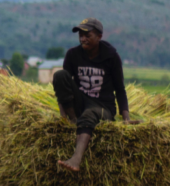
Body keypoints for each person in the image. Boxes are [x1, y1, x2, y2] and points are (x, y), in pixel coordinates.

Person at [52, 18, 135, 172]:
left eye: (87, 35)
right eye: (80, 35)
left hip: (103, 107)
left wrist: (126, 118)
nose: (83, 39)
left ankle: (76, 159)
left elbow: (120, 89)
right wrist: (63, 118)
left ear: (99, 36)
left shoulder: (111, 56)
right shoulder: (72, 54)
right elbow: (62, 88)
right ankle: (73, 120)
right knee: (60, 75)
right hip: (81, 102)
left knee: (89, 114)